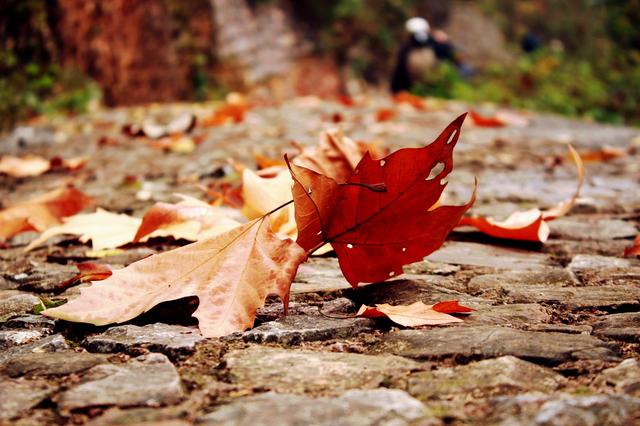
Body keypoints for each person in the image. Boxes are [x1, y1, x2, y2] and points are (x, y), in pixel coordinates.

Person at [390, 17, 468, 94]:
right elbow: (453, 56)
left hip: (421, 88)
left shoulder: (406, 49)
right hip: (426, 89)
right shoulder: (434, 44)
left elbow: (398, 73)